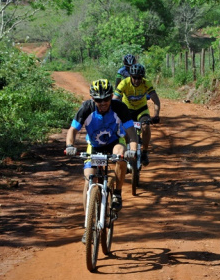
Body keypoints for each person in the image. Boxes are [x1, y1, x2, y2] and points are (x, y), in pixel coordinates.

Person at [65, 79, 138, 242]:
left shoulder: (119, 108)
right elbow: (72, 130)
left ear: (111, 97)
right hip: (95, 147)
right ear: (92, 98)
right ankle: (88, 226)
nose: (103, 103)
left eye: (106, 99)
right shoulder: (86, 108)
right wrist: (70, 145)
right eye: (98, 100)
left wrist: (132, 150)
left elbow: (132, 133)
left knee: (121, 153)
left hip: (114, 143)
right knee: (89, 180)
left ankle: (117, 194)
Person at [113, 63, 161, 166]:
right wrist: (112, 115)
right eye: (134, 77)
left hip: (141, 110)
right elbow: (114, 101)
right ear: (130, 76)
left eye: (139, 78)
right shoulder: (124, 83)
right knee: (125, 132)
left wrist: (156, 115)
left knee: (146, 126)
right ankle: (125, 153)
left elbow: (156, 101)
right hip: (127, 110)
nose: (137, 80)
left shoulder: (146, 83)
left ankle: (144, 153)